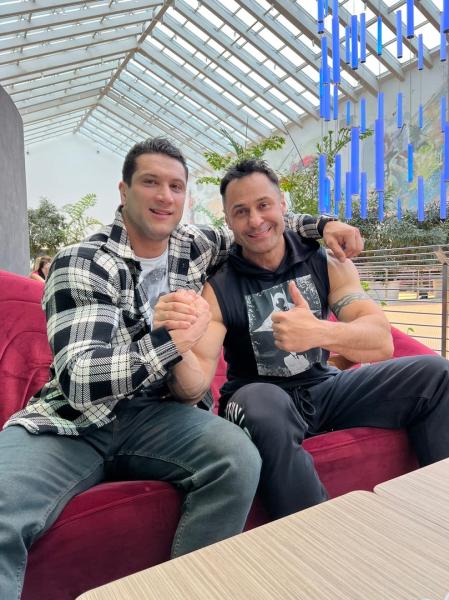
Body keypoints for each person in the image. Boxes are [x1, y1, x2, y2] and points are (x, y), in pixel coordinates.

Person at [0, 138, 363, 598]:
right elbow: (79, 380)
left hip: (160, 414)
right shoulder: (83, 261)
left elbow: (261, 222)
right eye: (150, 182)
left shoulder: (195, 245)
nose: (164, 196)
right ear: (124, 191)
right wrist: (170, 340)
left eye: (176, 186)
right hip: (71, 423)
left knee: (237, 457)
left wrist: (326, 225)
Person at [163, 158, 449, 521]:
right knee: (261, 401)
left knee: (436, 373)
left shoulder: (325, 261)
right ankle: (319, 535)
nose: (255, 220)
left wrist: (318, 332)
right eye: (241, 211)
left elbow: (381, 342)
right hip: (257, 402)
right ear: (228, 221)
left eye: (264, 205)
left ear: (283, 205)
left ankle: (440, 511)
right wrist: (171, 341)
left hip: (325, 389)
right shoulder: (219, 288)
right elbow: (197, 383)